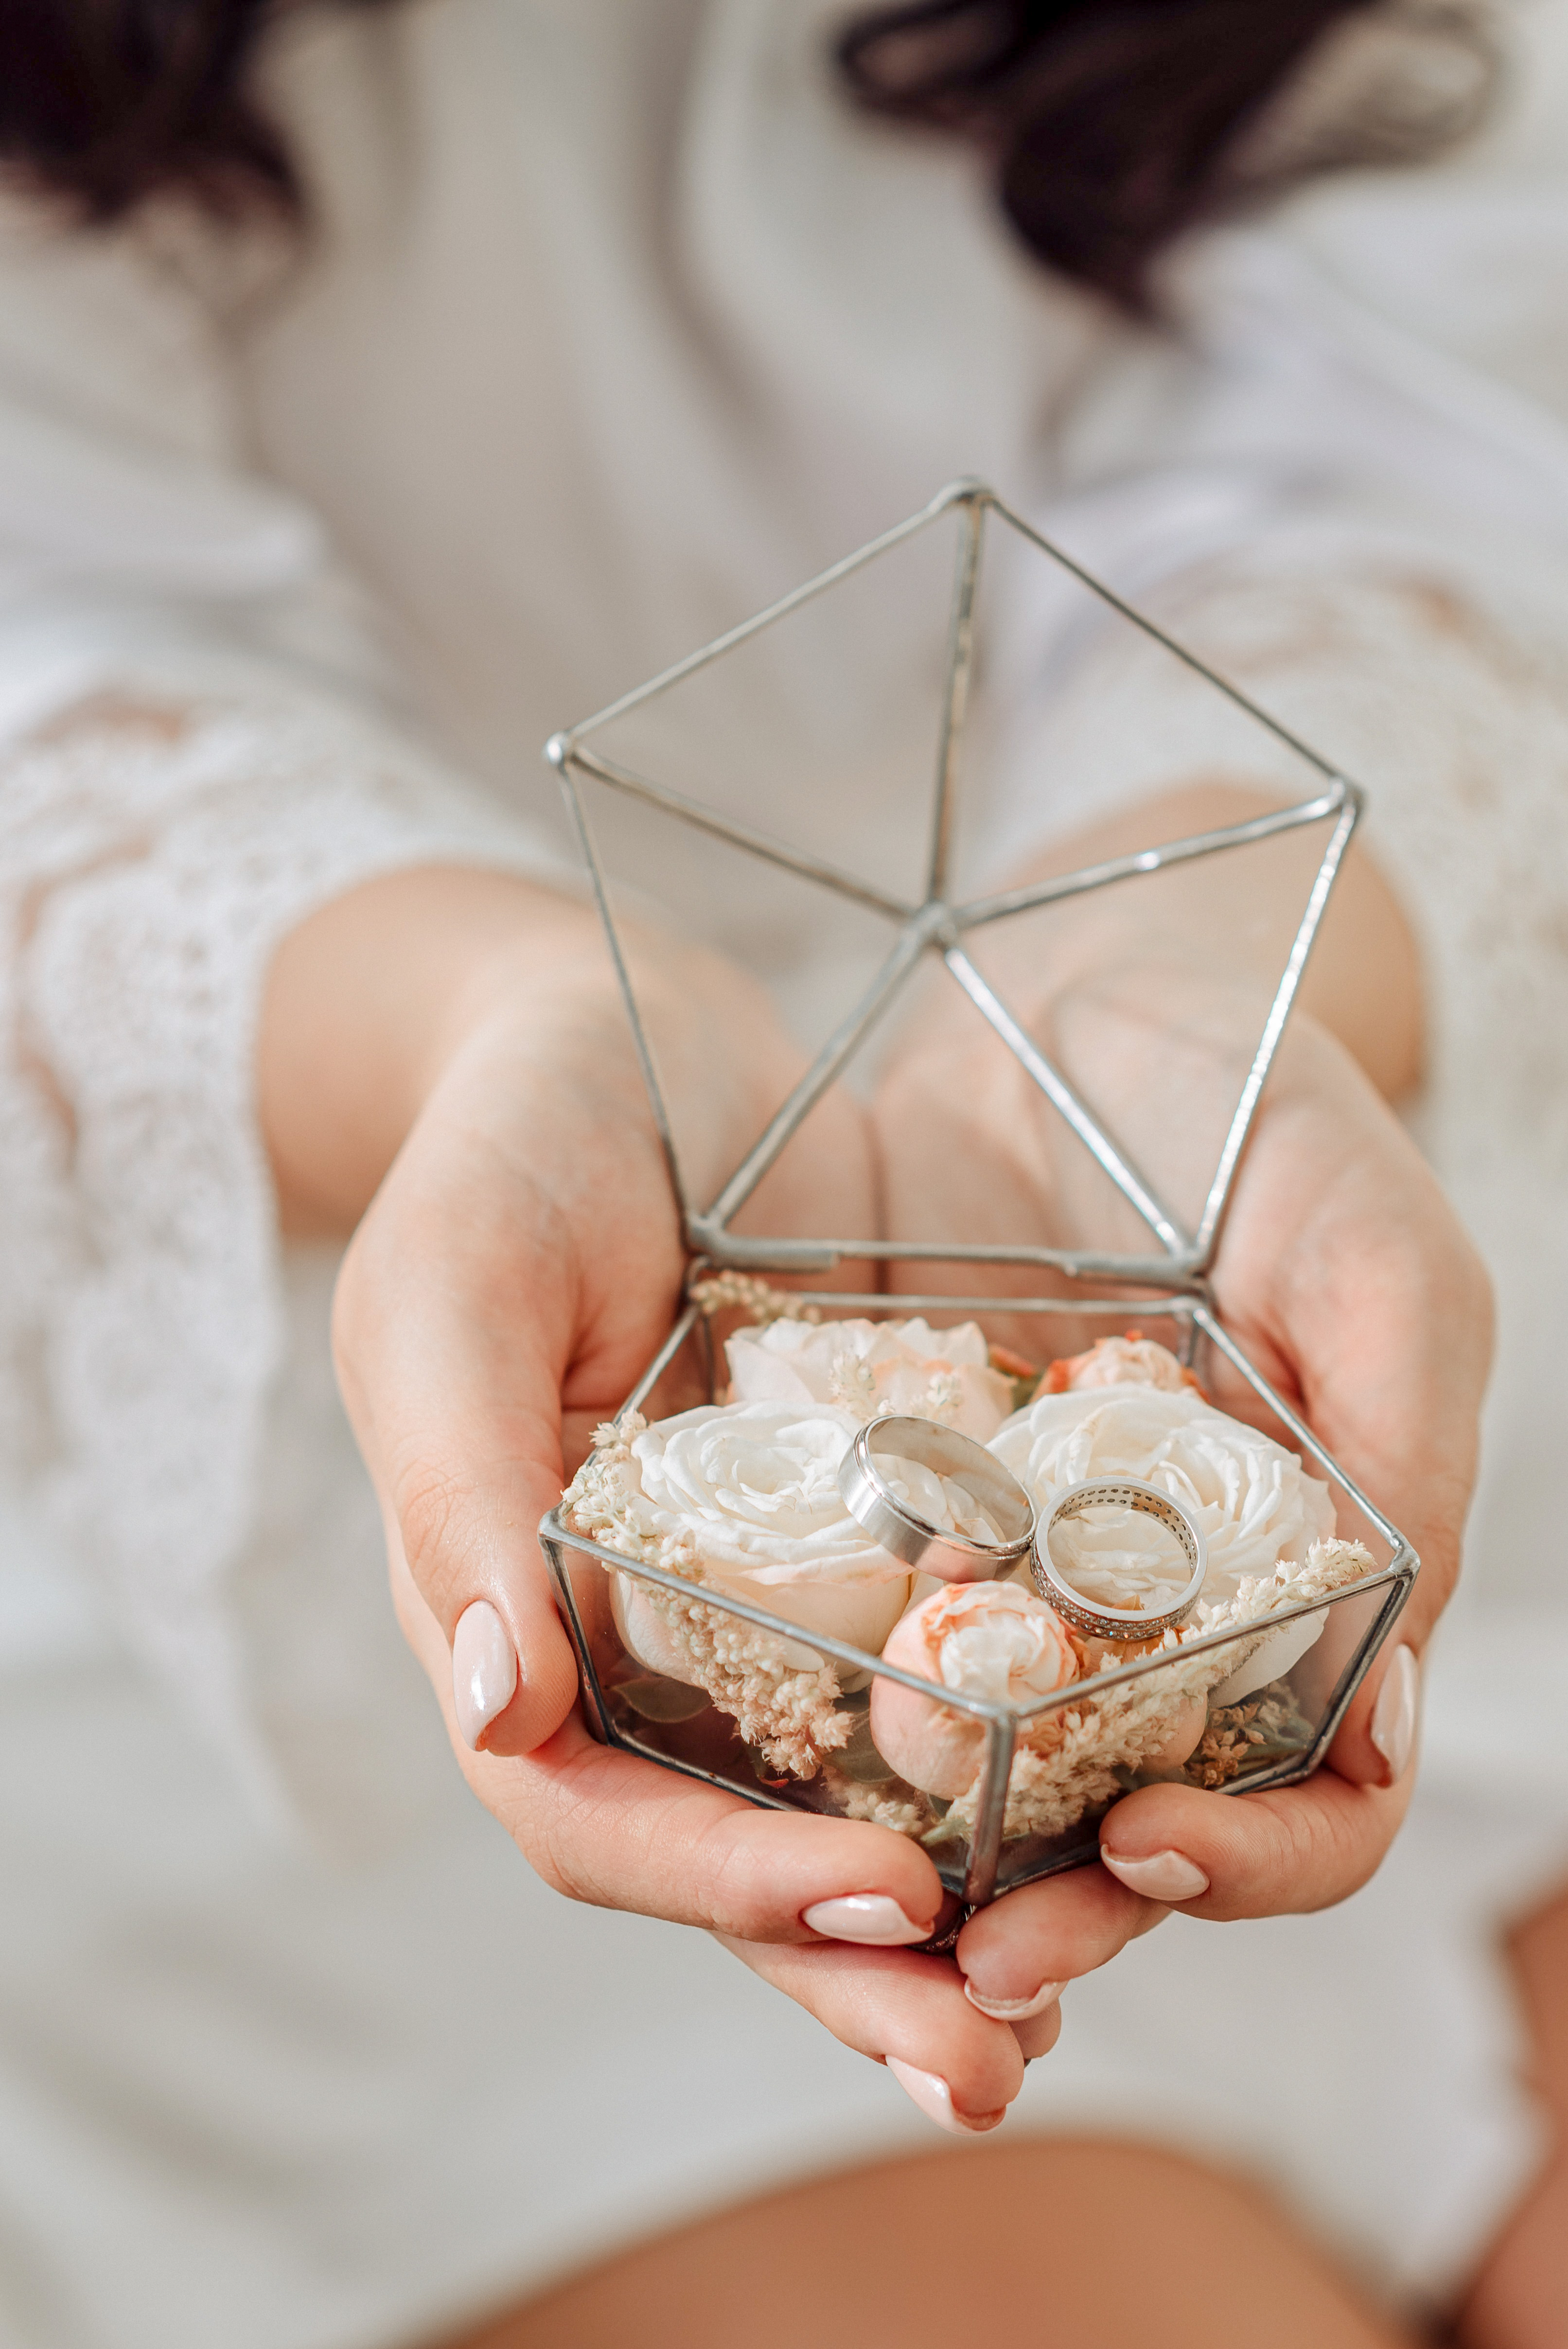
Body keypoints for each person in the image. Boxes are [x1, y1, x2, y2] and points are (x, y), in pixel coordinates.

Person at [0, 1, 1564, 2344]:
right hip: (318, 1357)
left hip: (1272, 1242)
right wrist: (500, 1029)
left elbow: (1429, 442)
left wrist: (1185, 975)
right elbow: (54, 643)